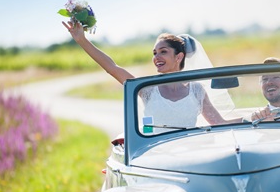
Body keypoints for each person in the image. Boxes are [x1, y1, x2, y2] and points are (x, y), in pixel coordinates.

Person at [62, 21, 237, 129]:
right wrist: (81, 40)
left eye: (163, 52)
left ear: (179, 56)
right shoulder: (147, 88)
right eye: (154, 53)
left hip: (188, 155)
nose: (156, 57)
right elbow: (112, 67)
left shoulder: (197, 90)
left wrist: (257, 117)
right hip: (156, 157)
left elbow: (219, 123)